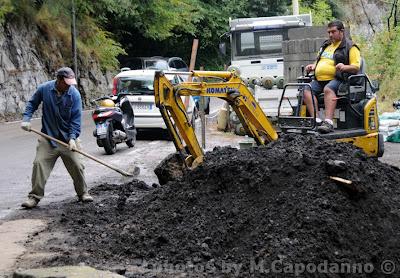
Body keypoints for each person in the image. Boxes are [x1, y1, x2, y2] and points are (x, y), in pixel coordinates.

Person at [20, 67, 93, 209]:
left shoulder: (74, 95)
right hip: (48, 137)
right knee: (39, 163)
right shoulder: (44, 89)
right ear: (59, 80)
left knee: (77, 165)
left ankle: (83, 193)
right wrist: (26, 119)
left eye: (71, 83)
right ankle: (34, 197)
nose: (69, 86)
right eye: (67, 82)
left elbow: (76, 120)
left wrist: (72, 138)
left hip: (68, 140)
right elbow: (32, 103)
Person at [303, 20, 361, 133]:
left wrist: (344, 67)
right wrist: (313, 66)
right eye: (329, 32)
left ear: (341, 31)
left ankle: (328, 122)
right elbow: (319, 60)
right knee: (306, 90)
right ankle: (316, 120)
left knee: (328, 89)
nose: (330, 35)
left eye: (333, 32)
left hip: (339, 78)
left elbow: (356, 67)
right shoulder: (326, 45)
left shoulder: (350, 47)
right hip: (319, 79)